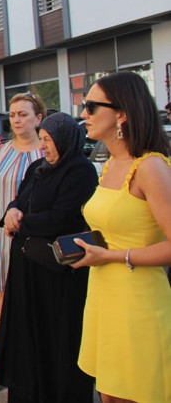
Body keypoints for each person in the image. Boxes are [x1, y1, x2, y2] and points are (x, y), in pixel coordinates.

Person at [73, 72, 171, 403]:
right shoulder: (111, 163)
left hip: (138, 304)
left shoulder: (151, 168)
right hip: (104, 296)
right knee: (109, 395)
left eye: (90, 105)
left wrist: (113, 256)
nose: (83, 113)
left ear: (121, 113)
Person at [0, 112, 97, 402]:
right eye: (43, 139)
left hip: (57, 271)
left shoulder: (80, 170)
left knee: (57, 338)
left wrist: (20, 223)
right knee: (27, 336)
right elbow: (18, 200)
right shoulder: (38, 167)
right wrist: (11, 212)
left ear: (64, 139)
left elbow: (63, 217)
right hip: (28, 267)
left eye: (48, 140)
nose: (44, 146)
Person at [0, 92, 46, 375]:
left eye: (23, 114)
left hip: (39, 238)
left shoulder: (47, 151)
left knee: (39, 298)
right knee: (4, 297)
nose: (17, 120)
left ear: (38, 118)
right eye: (12, 115)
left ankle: (35, 360)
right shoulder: (2, 152)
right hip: (6, 240)